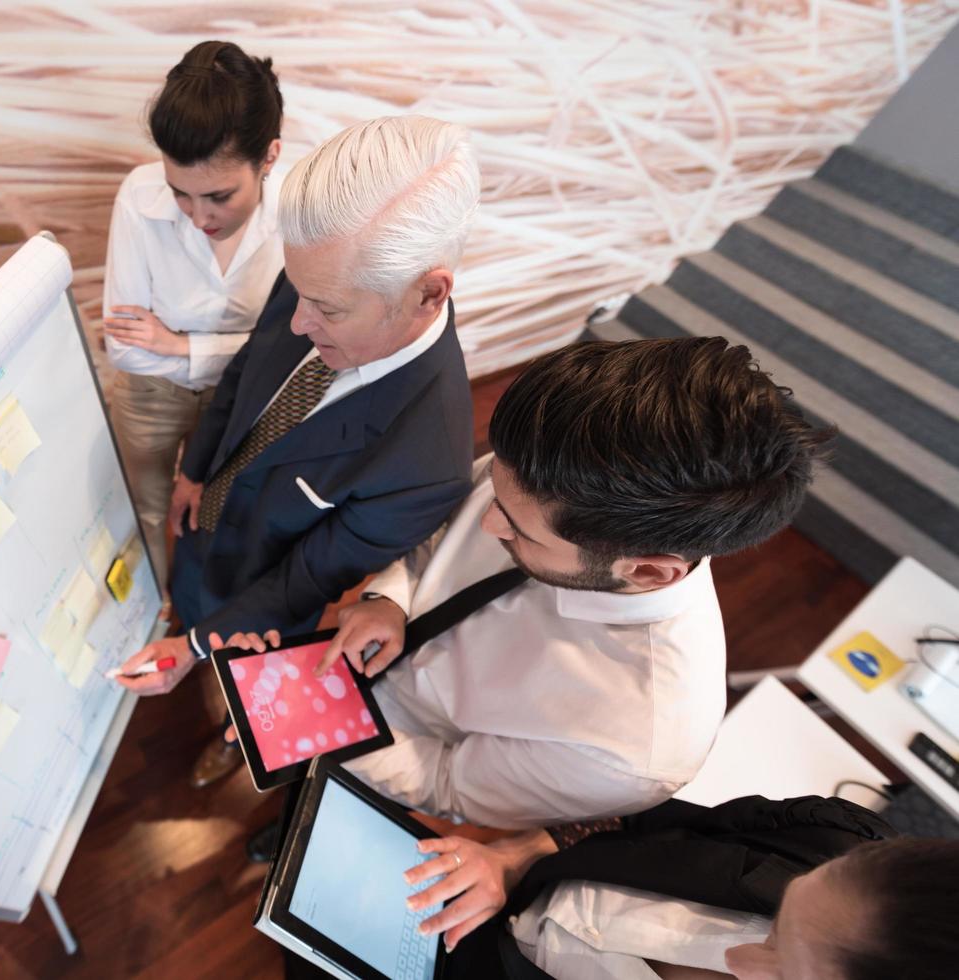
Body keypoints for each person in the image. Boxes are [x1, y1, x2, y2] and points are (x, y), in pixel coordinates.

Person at [260, 336, 828, 840]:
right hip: (332, 656)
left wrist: (314, 730)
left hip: (386, 749)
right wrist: (390, 596)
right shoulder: (539, 474)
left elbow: (447, 783)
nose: (487, 523)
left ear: (649, 571)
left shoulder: (635, 745)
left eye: (516, 529)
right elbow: (437, 529)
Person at [115, 116, 483, 788]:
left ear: (428, 292)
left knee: (237, 699)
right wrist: (195, 469)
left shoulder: (425, 462)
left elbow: (303, 583)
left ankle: (229, 744)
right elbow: (246, 372)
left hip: (263, 599)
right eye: (299, 292)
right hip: (206, 531)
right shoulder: (321, 271)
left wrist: (195, 649)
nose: (297, 323)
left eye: (327, 311)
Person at [296, 793, 959, 979]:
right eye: (780, 918)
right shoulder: (826, 836)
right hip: (500, 900)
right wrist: (517, 854)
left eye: (783, 972)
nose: (736, 956)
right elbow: (646, 815)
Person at [102, 40, 286, 585]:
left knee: (222, 507)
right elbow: (127, 350)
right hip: (150, 397)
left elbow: (291, 345)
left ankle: (206, 604)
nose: (199, 215)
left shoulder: (303, 206)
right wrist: (242, 345)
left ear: (269, 157)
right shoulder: (138, 198)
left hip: (246, 394)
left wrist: (180, 345)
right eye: (179, 193)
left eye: (219, 196)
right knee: (144, 507)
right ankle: (153, 605)